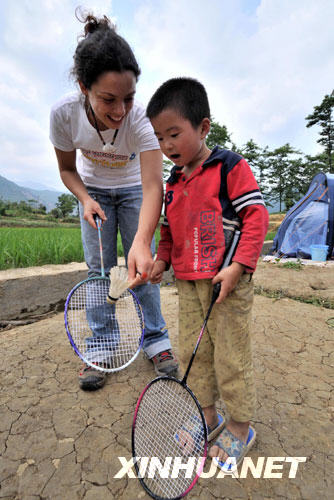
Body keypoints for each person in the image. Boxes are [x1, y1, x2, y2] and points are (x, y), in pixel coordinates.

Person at [49, 12, 178, 391]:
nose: (120, 111)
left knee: (143, 270)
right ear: (83, 86)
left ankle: (156, 340)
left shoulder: (139, 121)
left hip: (135, 188)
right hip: (94, 191)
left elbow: (154, 184)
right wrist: (85, 199)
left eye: (128, 98)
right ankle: (103, 345)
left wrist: (141, 241)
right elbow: (67, 170)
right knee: (98, 272)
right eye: (108, 99)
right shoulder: (64, 115)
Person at [147, 77, 269, 472]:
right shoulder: (172, 181)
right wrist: (161, 261)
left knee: (232, 357)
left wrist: (237, 266)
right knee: (193, 354)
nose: (166, 146)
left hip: (226, 283)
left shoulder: (229, 167)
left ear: (203, 128)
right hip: (187, 283)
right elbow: (167, 231)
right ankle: (207, 415)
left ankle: (240, 426)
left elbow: (256, 217)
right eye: (159, 138)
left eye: (174, 134)